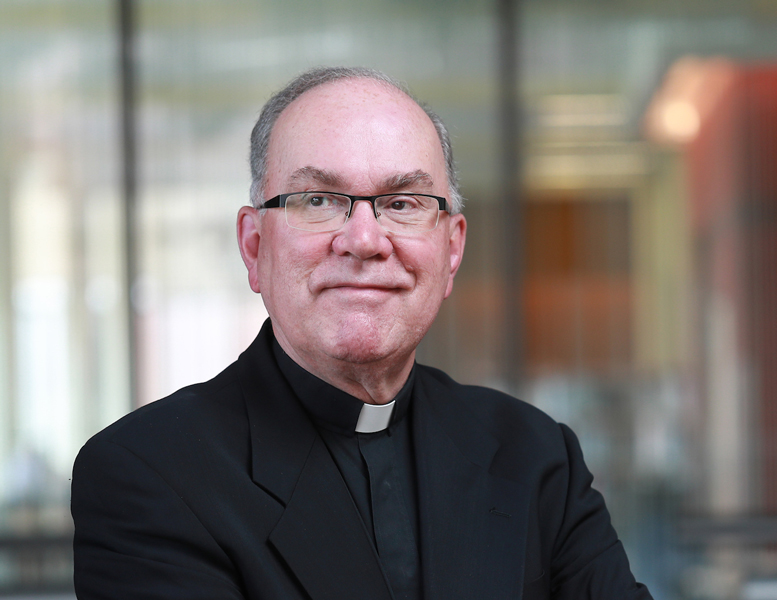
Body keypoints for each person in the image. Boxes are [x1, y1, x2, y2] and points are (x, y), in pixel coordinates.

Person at [71, 66, 652, 600]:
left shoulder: (535, 453)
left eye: (402, 202)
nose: (366, 239)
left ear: (451, 250)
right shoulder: (148, 475)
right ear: (254, 248)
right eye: (319, 200)